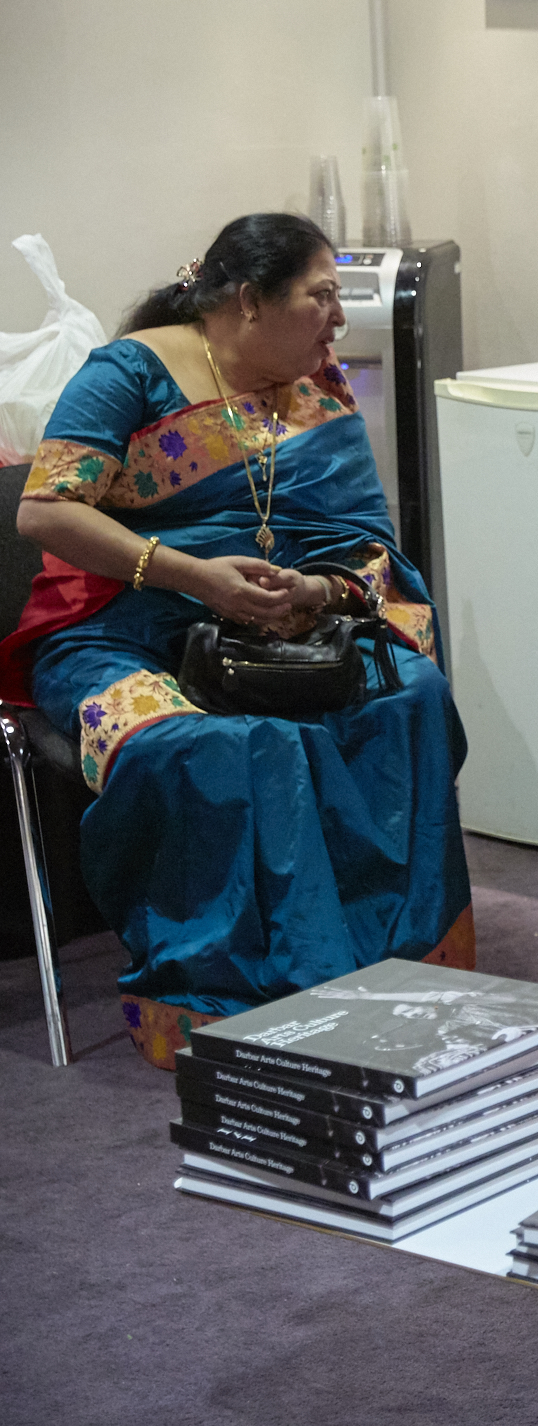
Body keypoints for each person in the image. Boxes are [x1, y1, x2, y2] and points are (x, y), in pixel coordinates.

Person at [0, 214, 469, 1067]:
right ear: (250, 300)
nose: (339, 319)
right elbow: (44, 511)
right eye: (321, 297)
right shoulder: (129, 372)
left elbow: (364, 543)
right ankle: (238, 1006)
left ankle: (395, 970)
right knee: (223, 746)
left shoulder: (316, 386)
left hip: (286, 625)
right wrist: (194, 576)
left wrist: (317, 591)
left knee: (411, 693)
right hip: (120, 630)